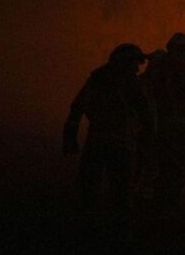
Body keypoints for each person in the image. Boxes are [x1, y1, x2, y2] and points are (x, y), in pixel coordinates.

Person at [63, 43, 153, 233]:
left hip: (97, 140)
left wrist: (70, 137)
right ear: (126, 62)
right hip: (121, 145)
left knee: (89, 186)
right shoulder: (131, 83)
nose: (137, 68)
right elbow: (145, 114)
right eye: (135, 63)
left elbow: (77, 107)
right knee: (120, 192)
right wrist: (149, 138)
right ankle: (117, 233)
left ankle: (85, 228)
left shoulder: (98, 78)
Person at [146, 32, 185, 216]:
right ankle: (165, 208)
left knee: (167, 168)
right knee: (176, 170)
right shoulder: (176, 72)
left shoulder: (162, 69)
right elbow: (184, 103)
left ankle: (159, 207)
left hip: (166, 128)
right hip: (174, 130)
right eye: (183, 51)